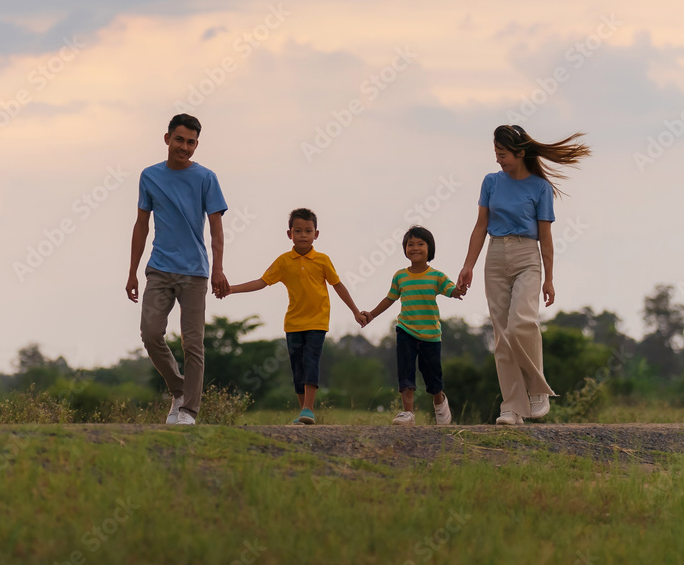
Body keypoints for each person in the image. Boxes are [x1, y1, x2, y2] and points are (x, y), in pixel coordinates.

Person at [456, 124, 591, 425]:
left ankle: (537, 389)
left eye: (502, 154)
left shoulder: (540, 188)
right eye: (496, 153)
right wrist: (469, 265)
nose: (498, 160)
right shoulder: (491, 182)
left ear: (519, 153)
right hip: (495, 255)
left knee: (521, 324)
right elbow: (480, 226)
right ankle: (512, 407)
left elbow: (546, 237)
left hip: (528, 257)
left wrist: (550, 278)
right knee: (502, 336)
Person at [126, 113, 229, 426]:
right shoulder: (150, 176)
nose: (184, 147)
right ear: (167, 138)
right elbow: (141, 225)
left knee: (192, 343)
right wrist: (132, 271)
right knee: (151, 333)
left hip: (195, 272)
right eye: (180, 139)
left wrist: (218, 269)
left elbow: (216, 228)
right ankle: (179, 389)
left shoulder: (206, 178)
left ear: (197, 145)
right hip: (158, 268)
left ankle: (188, 411)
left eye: (191, 142)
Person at [219, 208, 366, 425]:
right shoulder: (283, 261)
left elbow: (338, 286)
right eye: (298, 231)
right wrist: (231, 288)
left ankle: (308, 408)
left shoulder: (323, 260)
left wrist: (355, 311)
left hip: (317, 321)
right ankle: (303, 413)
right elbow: (262, 282)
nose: (303, 235)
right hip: (293, 324)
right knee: (297, 369)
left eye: (308, 230)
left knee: (311, 362)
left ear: (316, 234)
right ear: (290, 234)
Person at [361, 225, 464, 427]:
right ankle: (407, 413)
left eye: (420, 244)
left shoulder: (436, 276)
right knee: (405, 372)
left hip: (431, 335)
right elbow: (389, 298)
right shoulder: (400, 276)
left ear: (429, 249)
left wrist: (458, 291)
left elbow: (451, 289)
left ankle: (439, 402)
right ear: (405, 249)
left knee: (432, 374)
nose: (414, 248)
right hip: (405, 330)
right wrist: (371, 314)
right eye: (410, 244)